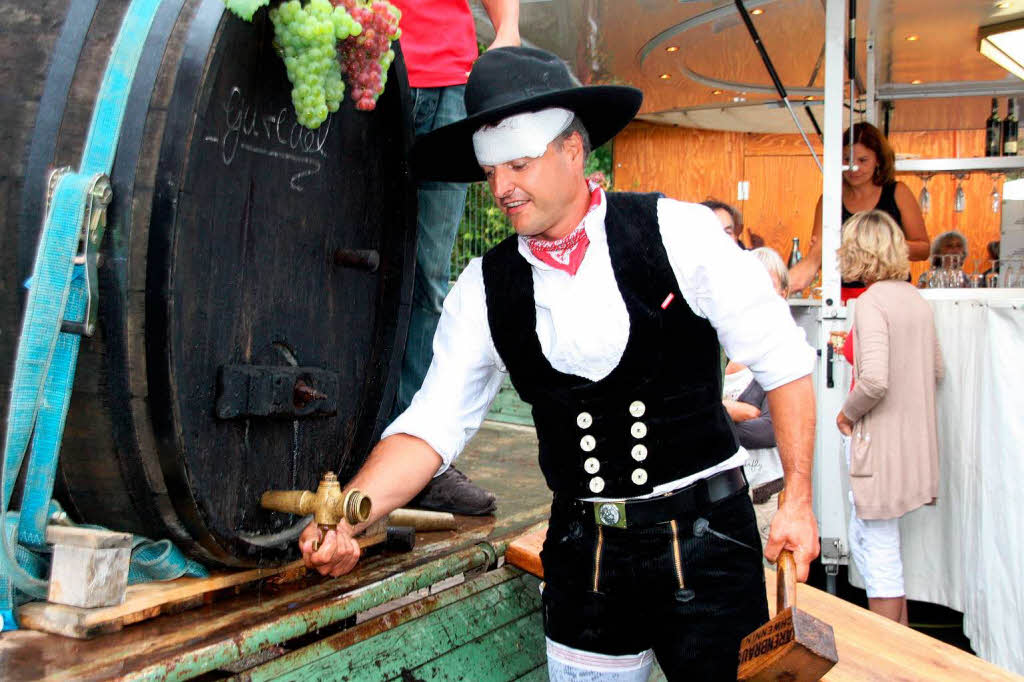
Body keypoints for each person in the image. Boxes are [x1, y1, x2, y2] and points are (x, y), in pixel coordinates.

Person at [301, 47, 820, 679]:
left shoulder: (676, 232)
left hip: (707, 543)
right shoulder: (483, 287)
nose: (501, 188)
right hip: (586, 556)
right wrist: (352, 514)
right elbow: (432, 423)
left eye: (519, 163)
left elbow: (784, 362)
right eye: (491, 170)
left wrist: (797, 497)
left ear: (573, 151)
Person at [389, 0, 520, 515]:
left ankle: (417, 459)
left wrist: (507, 27)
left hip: (447, 80)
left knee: (427, 277)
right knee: (340, 264)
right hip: (365, 63)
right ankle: (336, 443)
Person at [835, 210, 943, 625]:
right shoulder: (914, 299)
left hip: (876, 445)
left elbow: (876, 381)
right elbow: (934, 370)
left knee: (876, 553)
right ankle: (901, 649)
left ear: (860, 252)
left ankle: (885, 660)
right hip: (913, 446)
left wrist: (846, 415)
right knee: (885, 551)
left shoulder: (872, 302)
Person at [789, 122, 930, 300]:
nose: (853, 168)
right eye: (847, 160)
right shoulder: (829, 200)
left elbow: (924, 249)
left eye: (862, 160)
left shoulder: (898, 192)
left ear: (878, 159)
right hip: (845, 296)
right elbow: (820, 254)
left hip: (893, 295)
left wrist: (881, 246)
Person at [722, 247, 789, 550]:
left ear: (784, 294)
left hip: (766, 499)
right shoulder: (720, 349)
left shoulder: (785, 354)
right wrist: (740, 412)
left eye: (770, 287)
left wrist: (715, 416)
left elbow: (769, 431)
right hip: (723, 502)